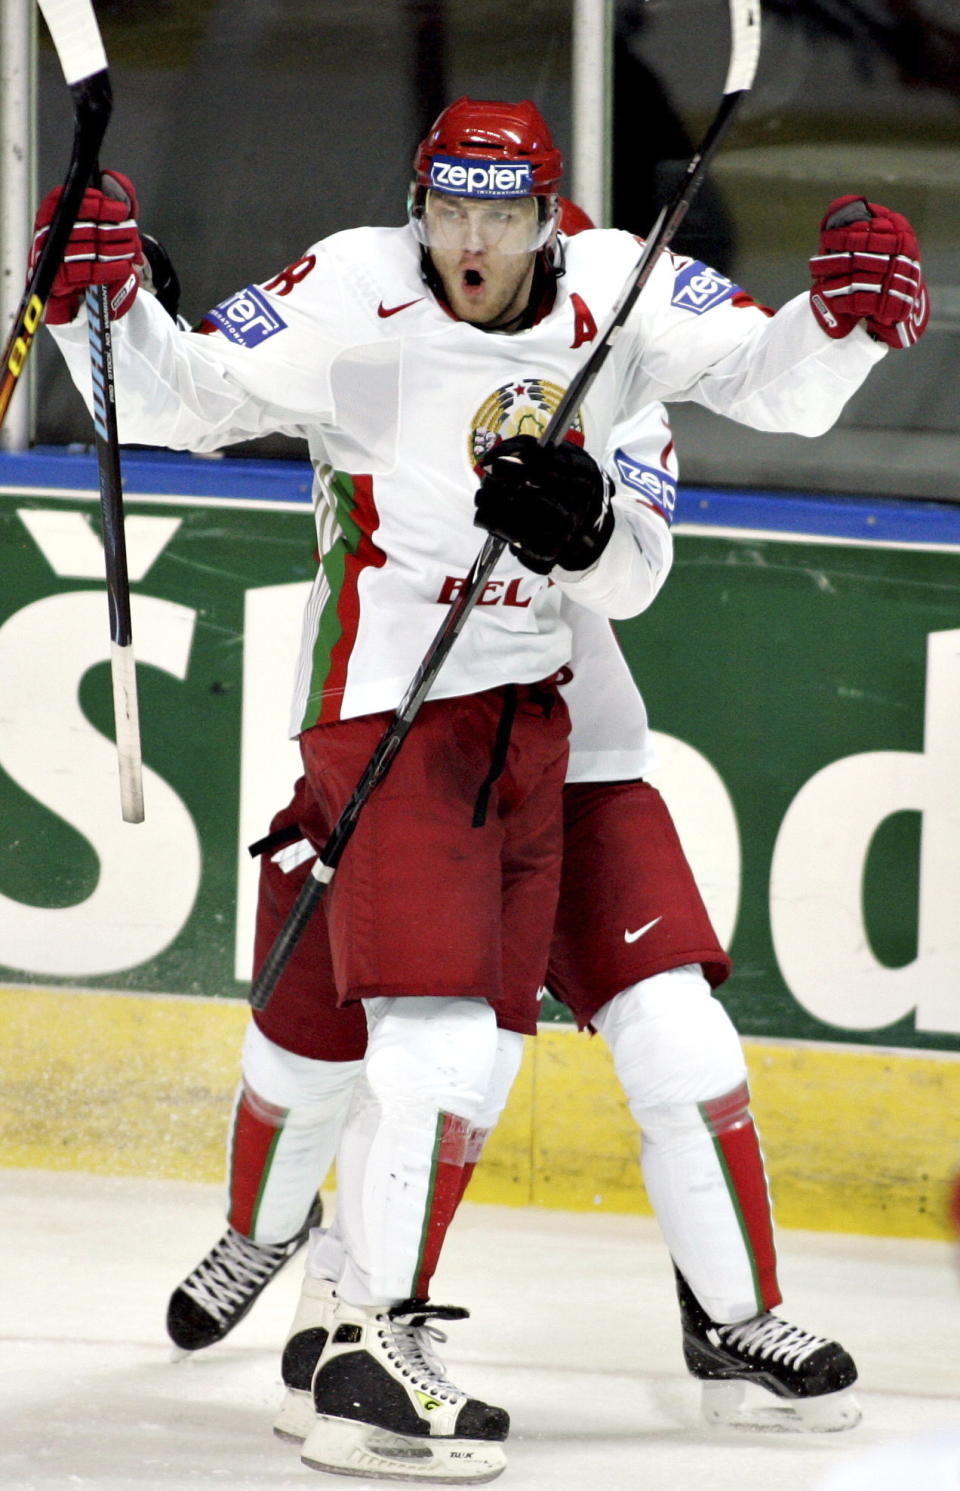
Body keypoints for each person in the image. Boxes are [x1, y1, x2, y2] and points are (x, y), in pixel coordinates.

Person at [36, 95, 928, 1482]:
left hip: (572, 725)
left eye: (499, 214)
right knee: (408, 1037)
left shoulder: (622, 301)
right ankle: (353, 1334)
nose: (470, 239)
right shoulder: (350, 291)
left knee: (682, 1039)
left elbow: (763, 403)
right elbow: (172, 400)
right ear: (418, 203)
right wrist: (108, 304)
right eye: (447, 208)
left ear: (548, 215)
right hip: (397, 715)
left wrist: (847, 322)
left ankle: (734, 1326)